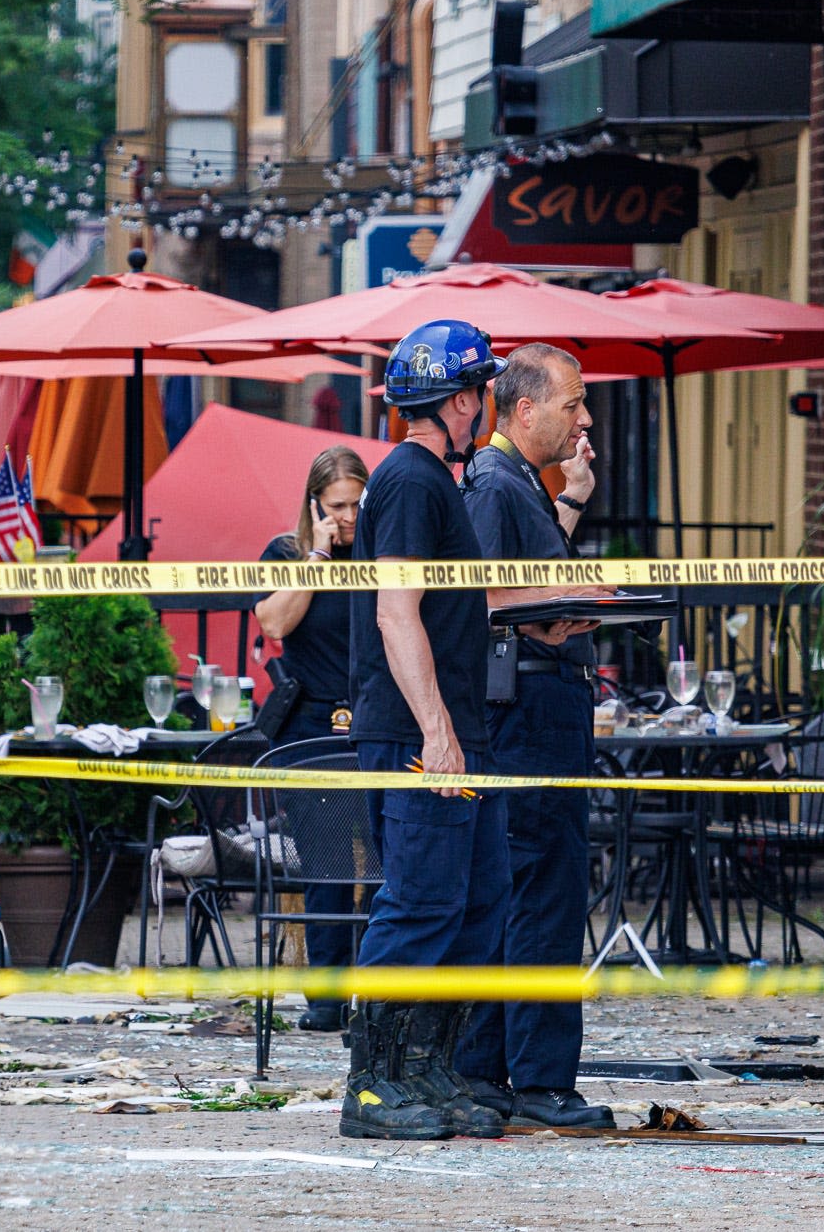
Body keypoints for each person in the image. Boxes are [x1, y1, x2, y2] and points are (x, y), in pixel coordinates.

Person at [338, 319, 510, 1142]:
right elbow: (395, 611)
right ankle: (372, 1086)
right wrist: (436, 733)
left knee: (473, 902)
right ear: (461, 399)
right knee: (417, 904)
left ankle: (426, 1069)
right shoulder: (409, 479)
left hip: (458, 731)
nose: (488, 409)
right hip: (420, 735)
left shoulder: (433, 477)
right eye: (483, 394)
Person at [454, 341, 614, 1130]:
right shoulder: (492, 482)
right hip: (527, 711)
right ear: (524, 410)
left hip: (540, 707)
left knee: (526, 888)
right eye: (572, 402)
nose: (583, 416)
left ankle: (493, 1071)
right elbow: (483, 594)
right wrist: (566, 611)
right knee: (541, 894)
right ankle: (539, 1080)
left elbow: (520, 567)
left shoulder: (515, 483)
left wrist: (574, 505)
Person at [252, 445, 369, 1032]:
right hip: (310, 726)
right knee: (326, 870)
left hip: (375, 721)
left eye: (357, 504)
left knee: (383, 863)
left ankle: (374, 995)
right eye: (337, 506)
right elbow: (273, 624)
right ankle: (326, 1000)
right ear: (315, 505)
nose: (349, 517)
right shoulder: (288, 552)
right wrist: (319, 555)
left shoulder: (382, 554)